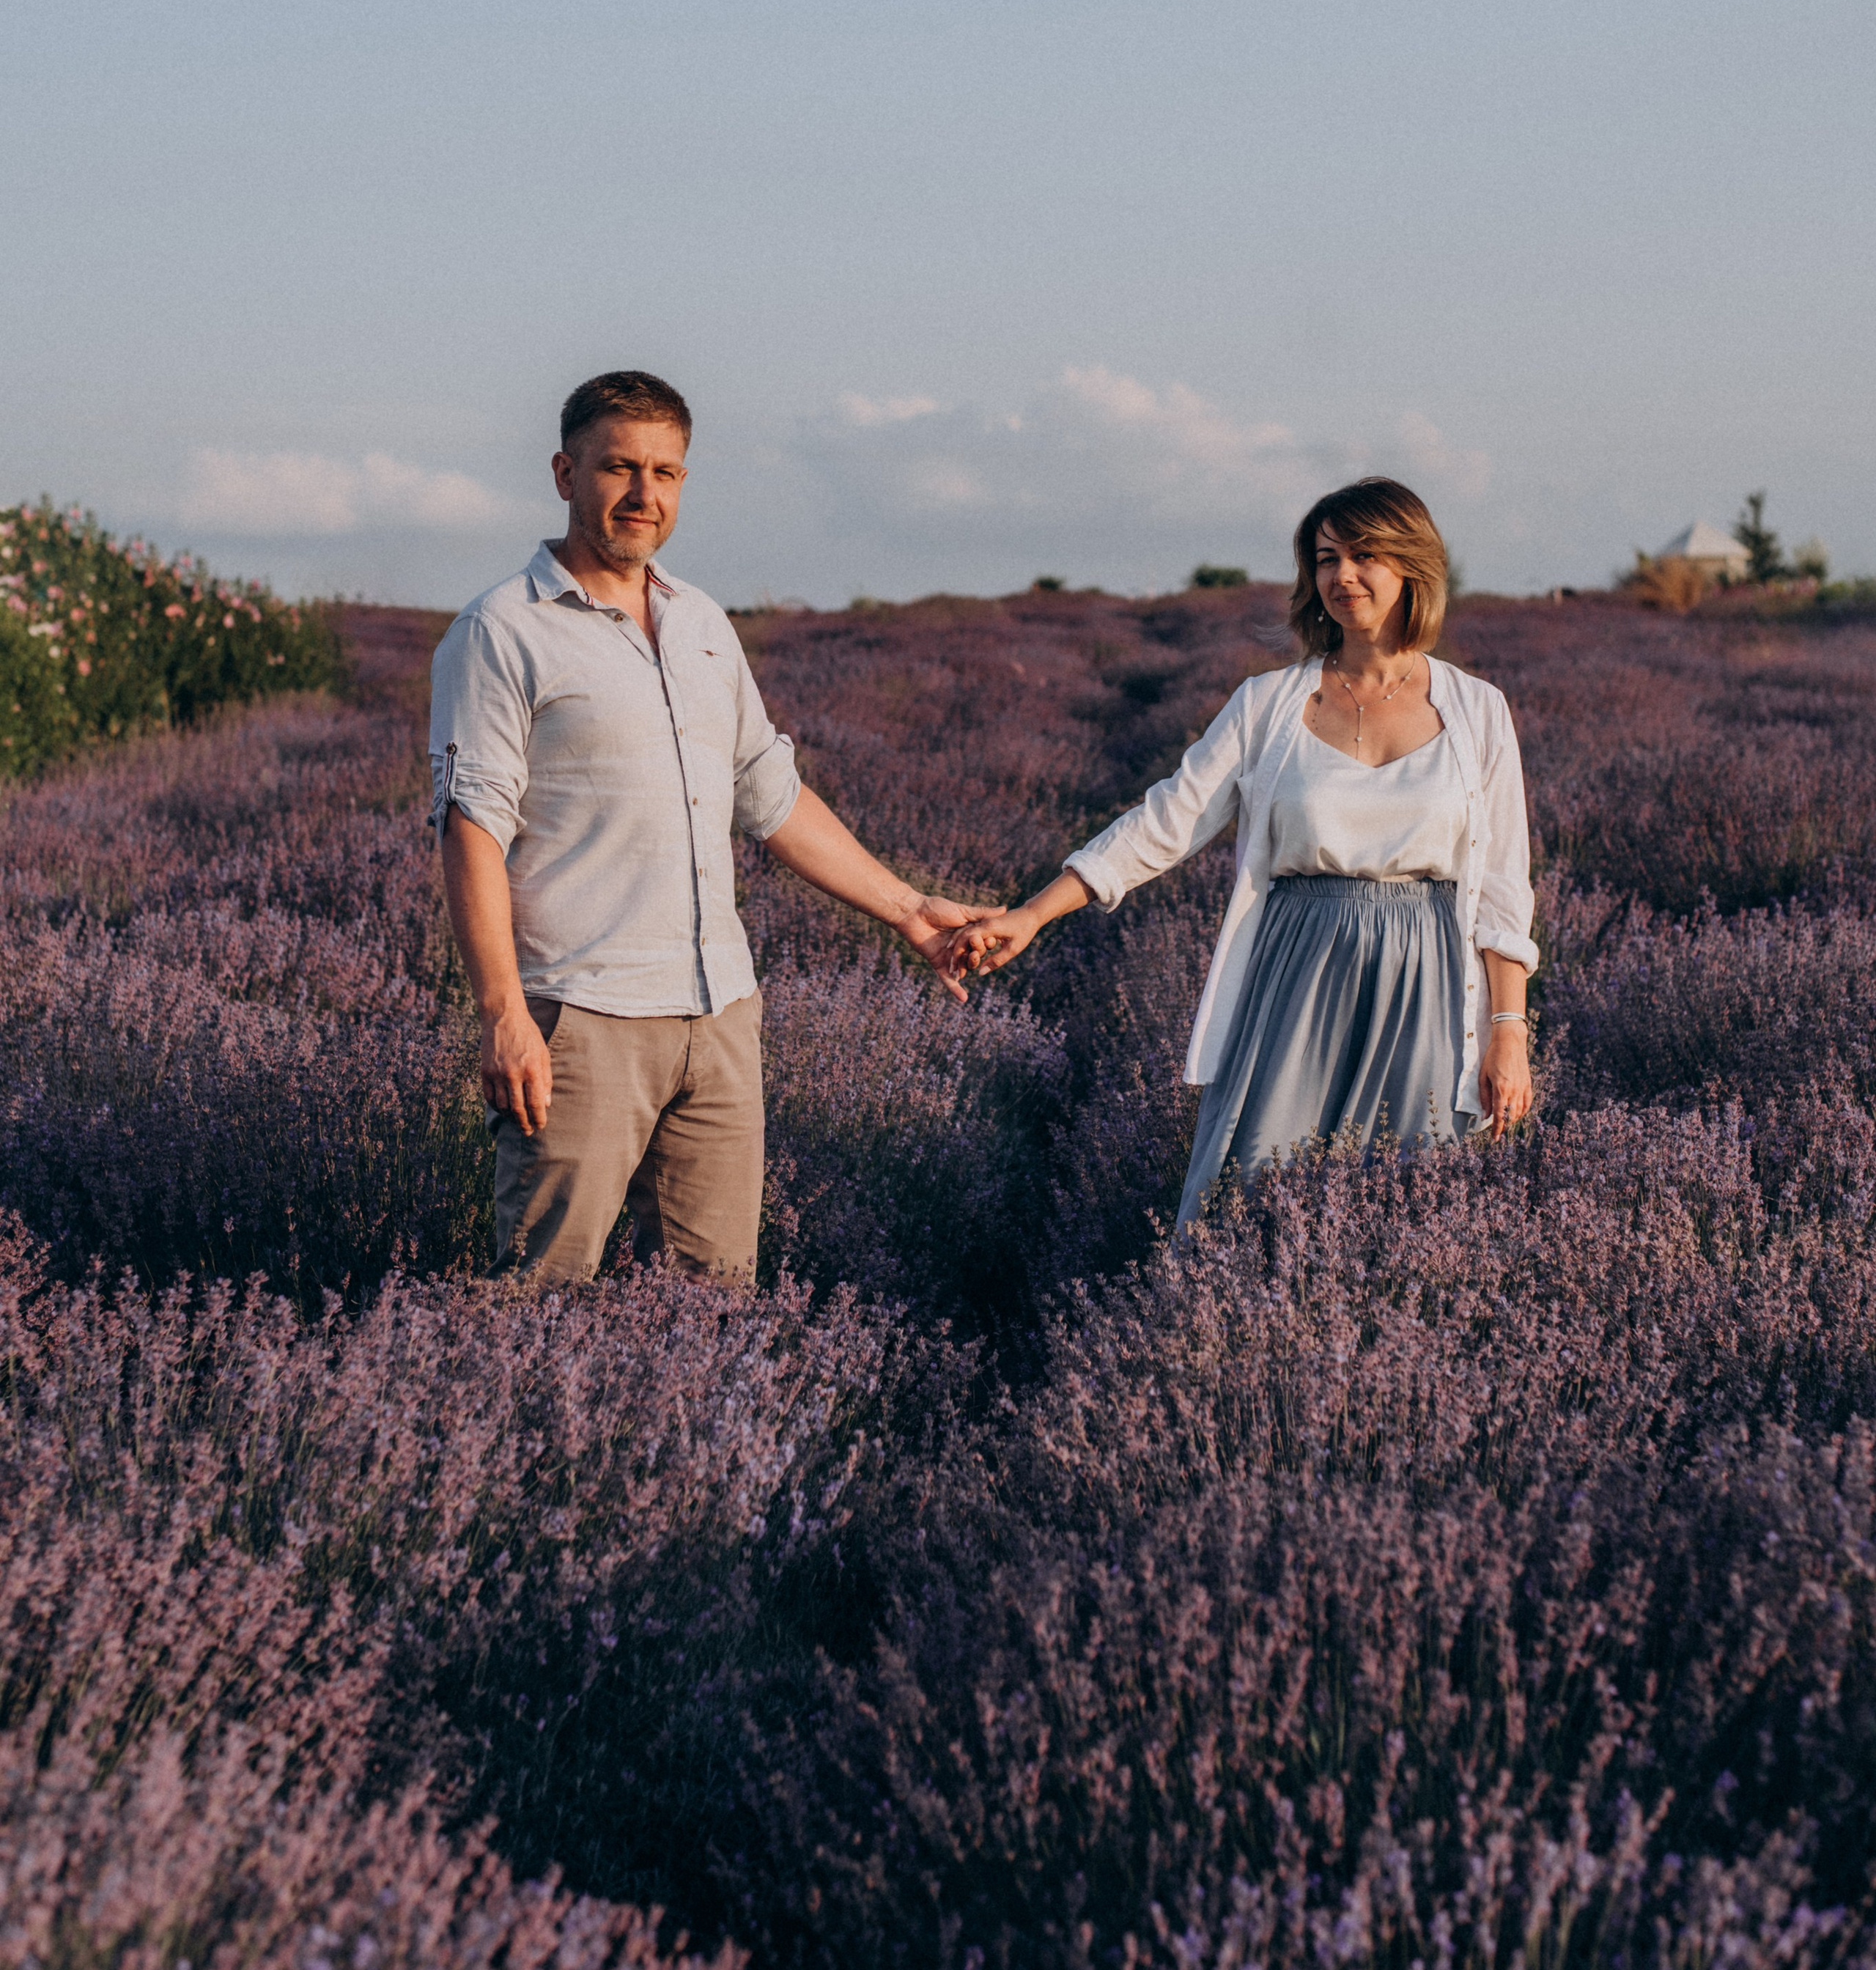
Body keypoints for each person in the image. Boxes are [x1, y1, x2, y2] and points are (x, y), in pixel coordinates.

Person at [430, 368, 988, 1286]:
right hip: (581, 1018)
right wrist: (502, 1014)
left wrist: (906, 909)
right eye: (619, 467)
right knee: (541, 1296)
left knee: (714, 1308)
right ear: (566, 474)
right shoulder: (501, 631)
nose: (642, 493)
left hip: (719, 1014)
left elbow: (770, 794)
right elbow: (471, 828)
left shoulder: (701, 623)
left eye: (665, 472)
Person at [952, 477, 1538, 1222]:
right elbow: (1165, 821)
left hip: (1429, 980)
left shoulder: (1478, 709)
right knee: (1250, 1194)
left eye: (1364, 555)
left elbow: (1502, 885)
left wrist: (1507, 1032)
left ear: (1412, 565)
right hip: (1297, 968)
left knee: (1410, 1207)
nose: (1342, 575)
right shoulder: (1267, 705)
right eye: (1325, 558)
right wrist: (1034, 914)